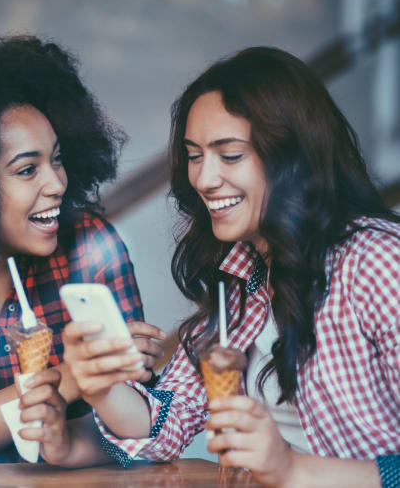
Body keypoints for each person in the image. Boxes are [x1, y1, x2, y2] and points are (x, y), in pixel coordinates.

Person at [52, 47, 399, 487]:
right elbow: (166, 425)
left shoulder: (378, 264)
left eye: (229, 155)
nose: (203, 178)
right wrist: (100, 387)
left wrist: (292, 469)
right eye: (195, 155)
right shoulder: (243, 279)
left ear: (295, 157)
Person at [0, 31, 165, 465]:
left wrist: (117, 381)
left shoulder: (89, 248)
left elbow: (137, 435)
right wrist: (70, 379)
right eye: (27, 170)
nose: (57, 183)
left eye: (57, 159)